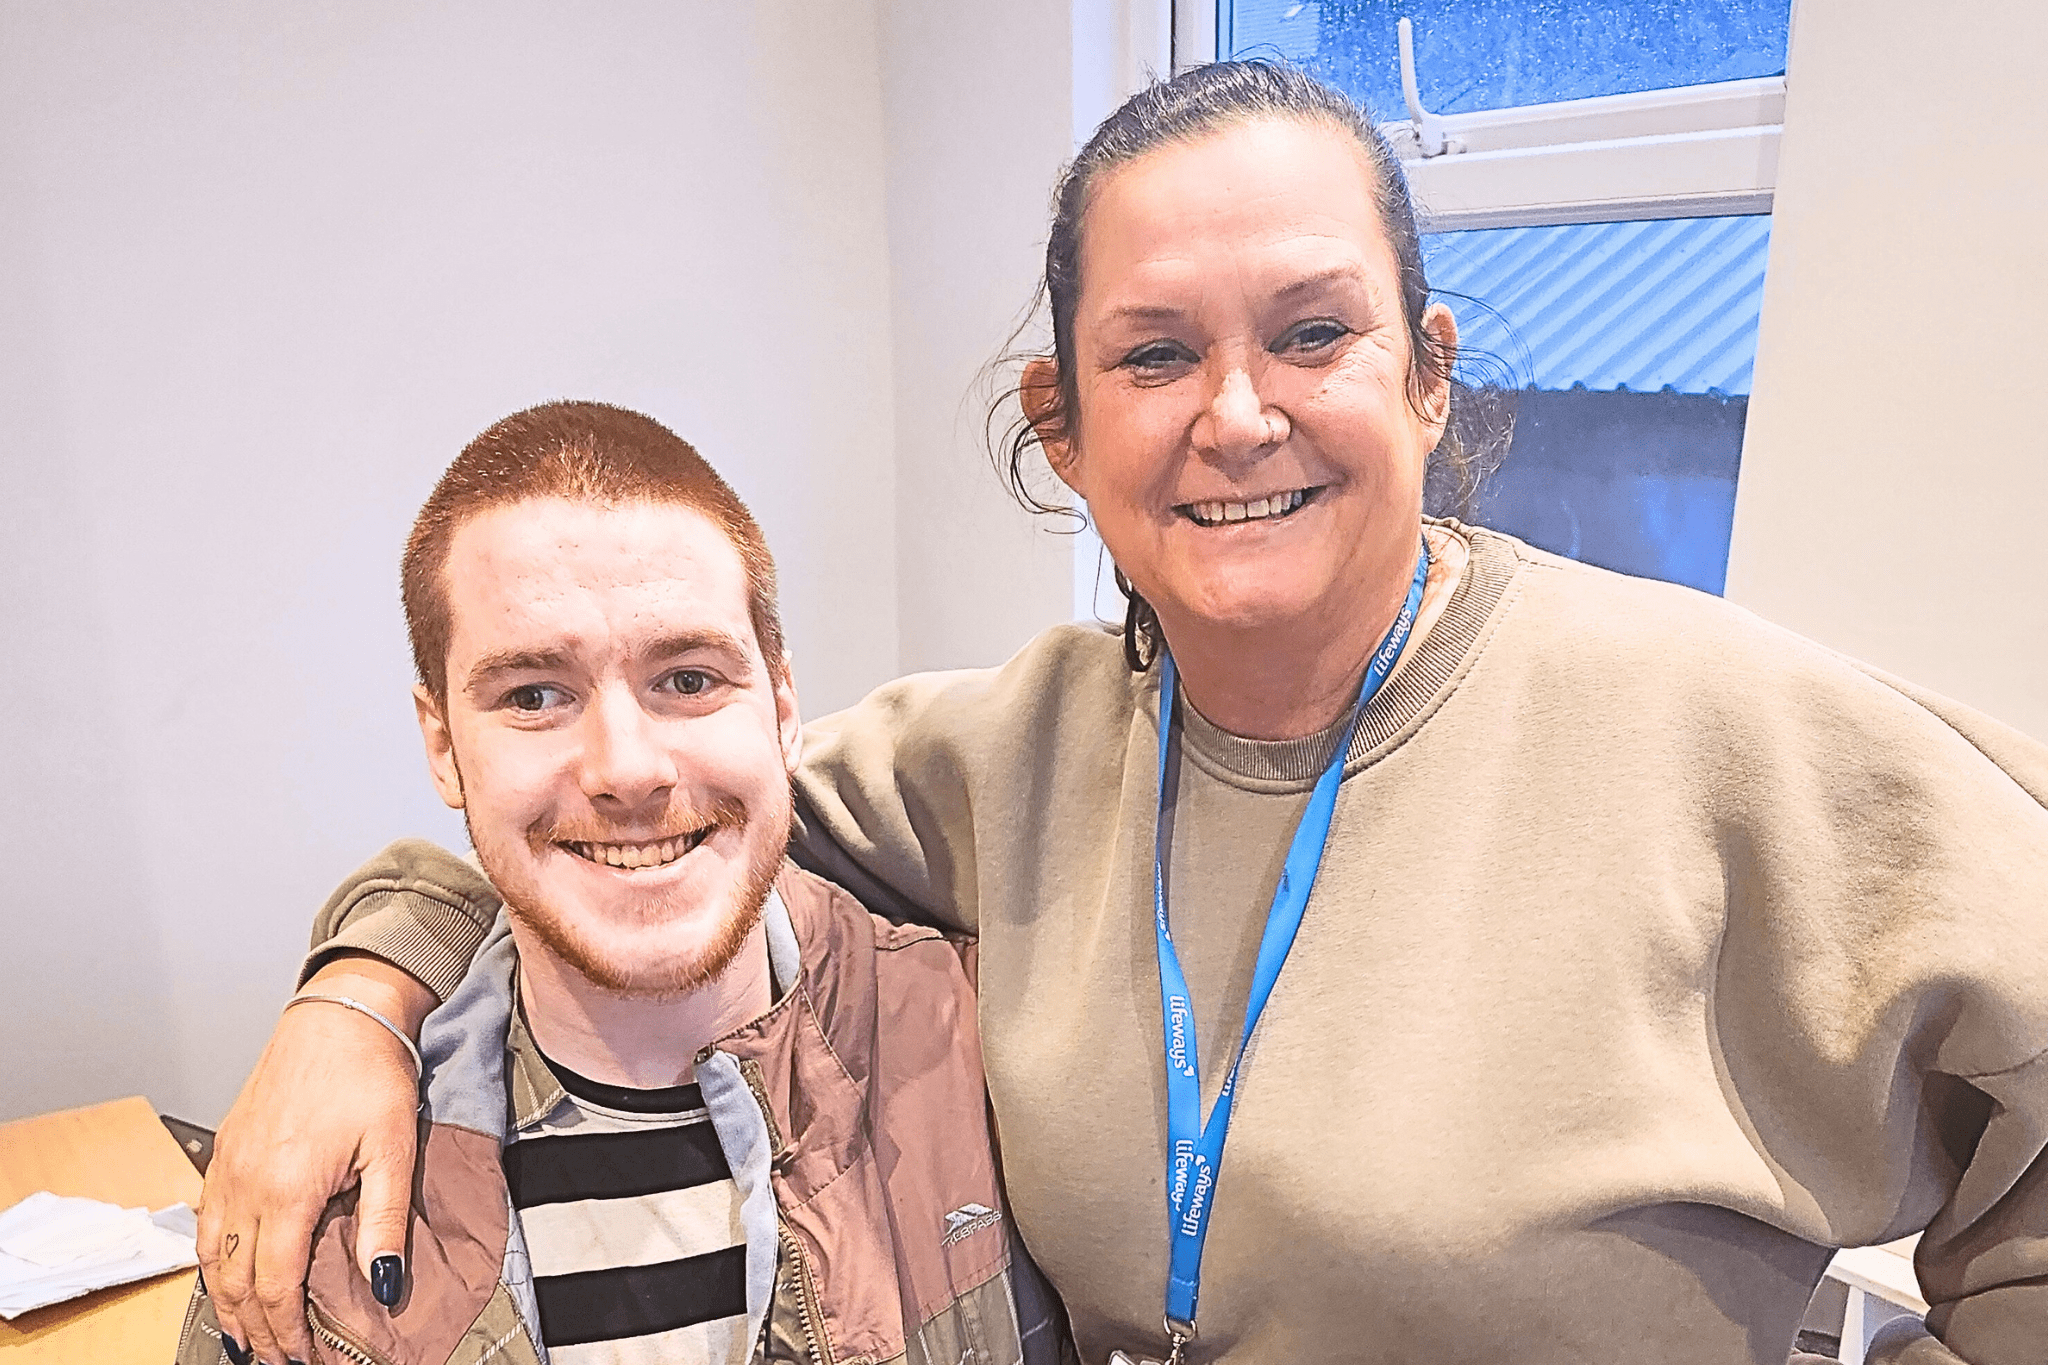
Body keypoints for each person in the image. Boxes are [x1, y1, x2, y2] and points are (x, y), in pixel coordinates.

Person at [199, 62, 2048, 1365]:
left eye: (1310, 331)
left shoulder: (1720, 732)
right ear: (1060, 424)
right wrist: (351, 1000)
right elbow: (635, 817)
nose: (1232, 413)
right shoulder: (996, 762)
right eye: (1154, 352)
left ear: (1424, 369)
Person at [184, 403, 1060, 1365]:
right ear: (441, 744)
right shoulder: (323, 1195)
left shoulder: (989, 1054)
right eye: (533, 695)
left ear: (782, 706)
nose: (627, 768)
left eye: (686, 678)